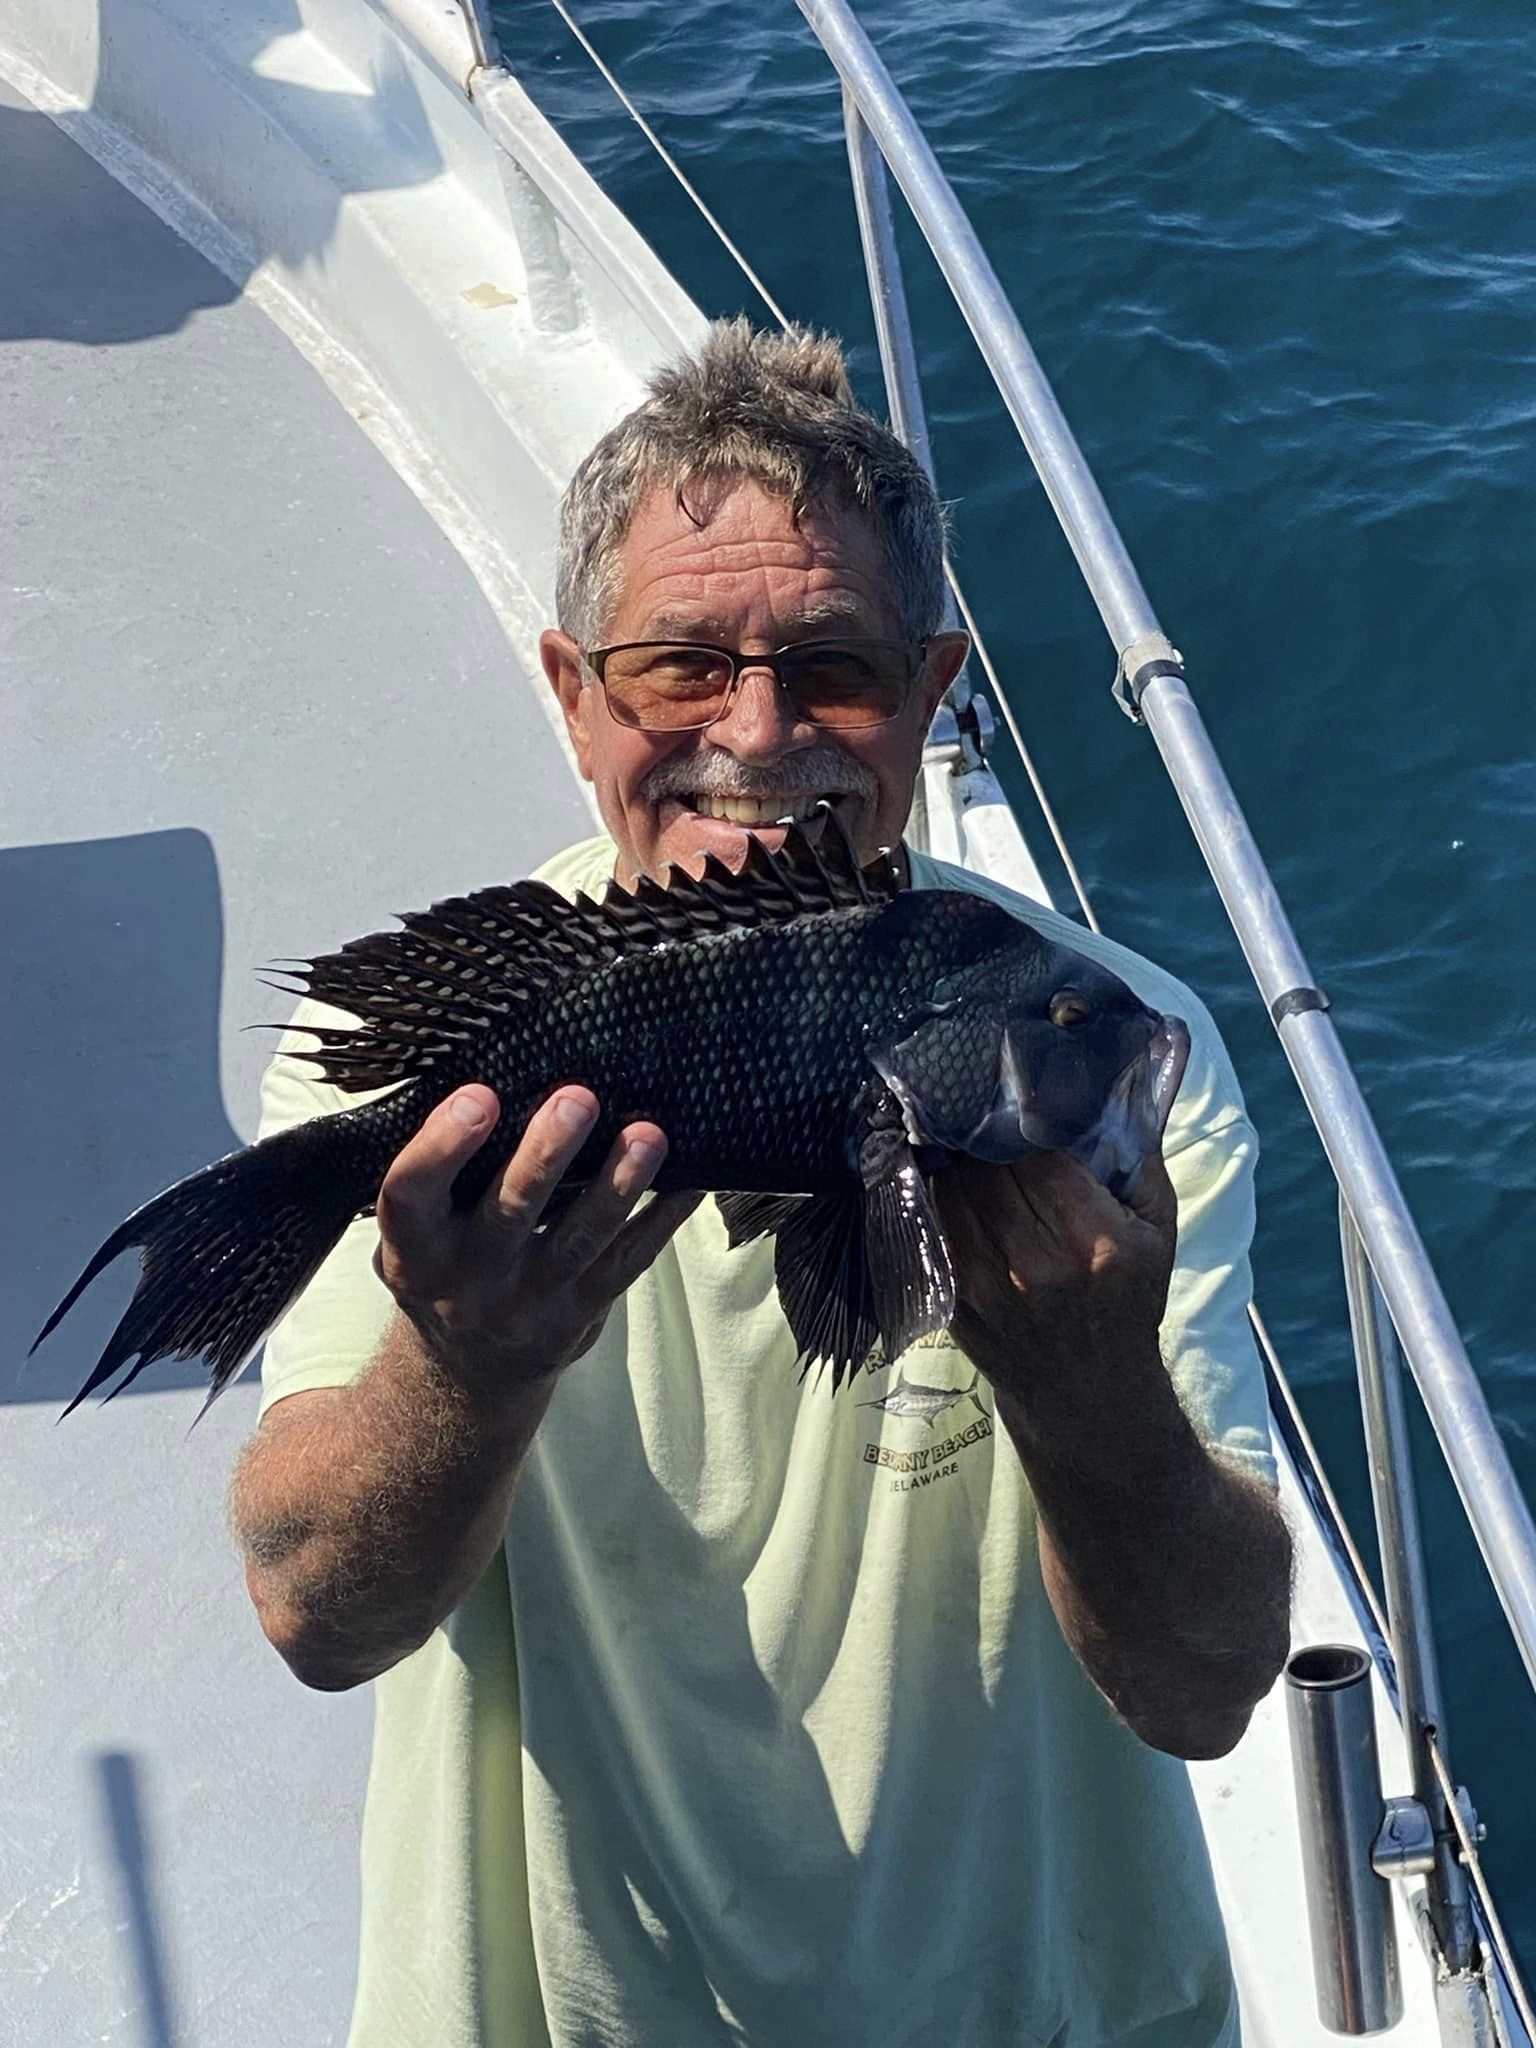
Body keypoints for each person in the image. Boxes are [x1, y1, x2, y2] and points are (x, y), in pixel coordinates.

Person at [231, 320, 1291, 2048]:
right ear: (576, 696)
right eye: (677, 668)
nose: (759, 733)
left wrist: (1087, 1386)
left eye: (836, 670)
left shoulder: (1108, 1050)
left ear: (932, 694)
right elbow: (318, 1617)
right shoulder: (415, 1083)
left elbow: (1204, 1695)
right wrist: (468, 1365)